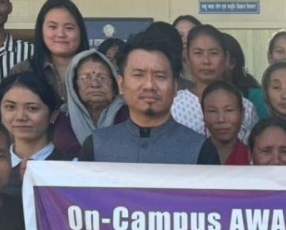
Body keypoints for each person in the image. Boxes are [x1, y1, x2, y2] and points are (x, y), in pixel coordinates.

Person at [79, 32, 219, 164]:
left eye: (160, 76)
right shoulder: (97, 146)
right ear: (121, 84)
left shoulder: (200, 149)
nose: (149, 85)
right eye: (138, 75)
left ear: (175, 86)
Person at [172, 25, 259, 143]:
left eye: (213, 53)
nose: (206, 61)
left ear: (225, 57)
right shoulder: (174, 106)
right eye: (198, 53)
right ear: (187, 57)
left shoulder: (245, 107)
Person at [0, 72, 73, 196]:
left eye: (32, 108)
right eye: (10, 107)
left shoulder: (72, 167)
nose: (20, 117)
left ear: (53, 114)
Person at [11, 0, 89, 105]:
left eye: (69, 28)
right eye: (52, 27)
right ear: (41, 30)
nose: (61, 34)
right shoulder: (23, 71)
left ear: (80, 31)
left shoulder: (100, 71)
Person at [53, 49, 127, 155]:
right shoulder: (61, 120)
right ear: (73, 85)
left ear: (115, 84)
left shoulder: (129, 115)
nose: (95, 84)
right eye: (85, 78)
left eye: (102, 77)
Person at [219, 32, 269, 119]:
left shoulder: (254, 96)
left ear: (232, 63)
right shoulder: (194, 95)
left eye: (215, 54)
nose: (207, 61)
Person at [201, 82, 250, 165]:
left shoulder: (251, 158)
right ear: (203, 115)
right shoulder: (195, 154)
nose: (221, 119)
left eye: (229, 110)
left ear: (242, 114)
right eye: (212, 111)